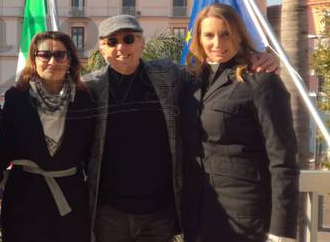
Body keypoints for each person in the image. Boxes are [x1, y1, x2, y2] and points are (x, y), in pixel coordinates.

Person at [85, 14, 278, 242]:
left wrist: (262, 57)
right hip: (109, 212)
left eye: (129, 39)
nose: (121, 47)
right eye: (112, 42)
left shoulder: (167, 74)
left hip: (160, 212)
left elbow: (212, 70)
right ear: (101, 48)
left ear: (142, 43)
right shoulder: (90, 87)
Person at [180, 3, 299, 242]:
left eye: (225, 34)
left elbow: (283, 159)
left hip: (247, 216)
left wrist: (282, 231)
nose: (218, 44)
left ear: (239, 34)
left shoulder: (261, 82)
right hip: (198, 216)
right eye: (209, 35)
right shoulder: (191, 81)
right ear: (199, 40)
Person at [0, 31, 96, 242]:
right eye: (45, 55)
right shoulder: (16, 98)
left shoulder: (85, 99)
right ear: (34, 59)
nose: (53, 61)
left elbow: (91, 153)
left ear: (70, 60)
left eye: (60, 55)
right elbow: (3, 149)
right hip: (24, 199)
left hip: (70, 200)